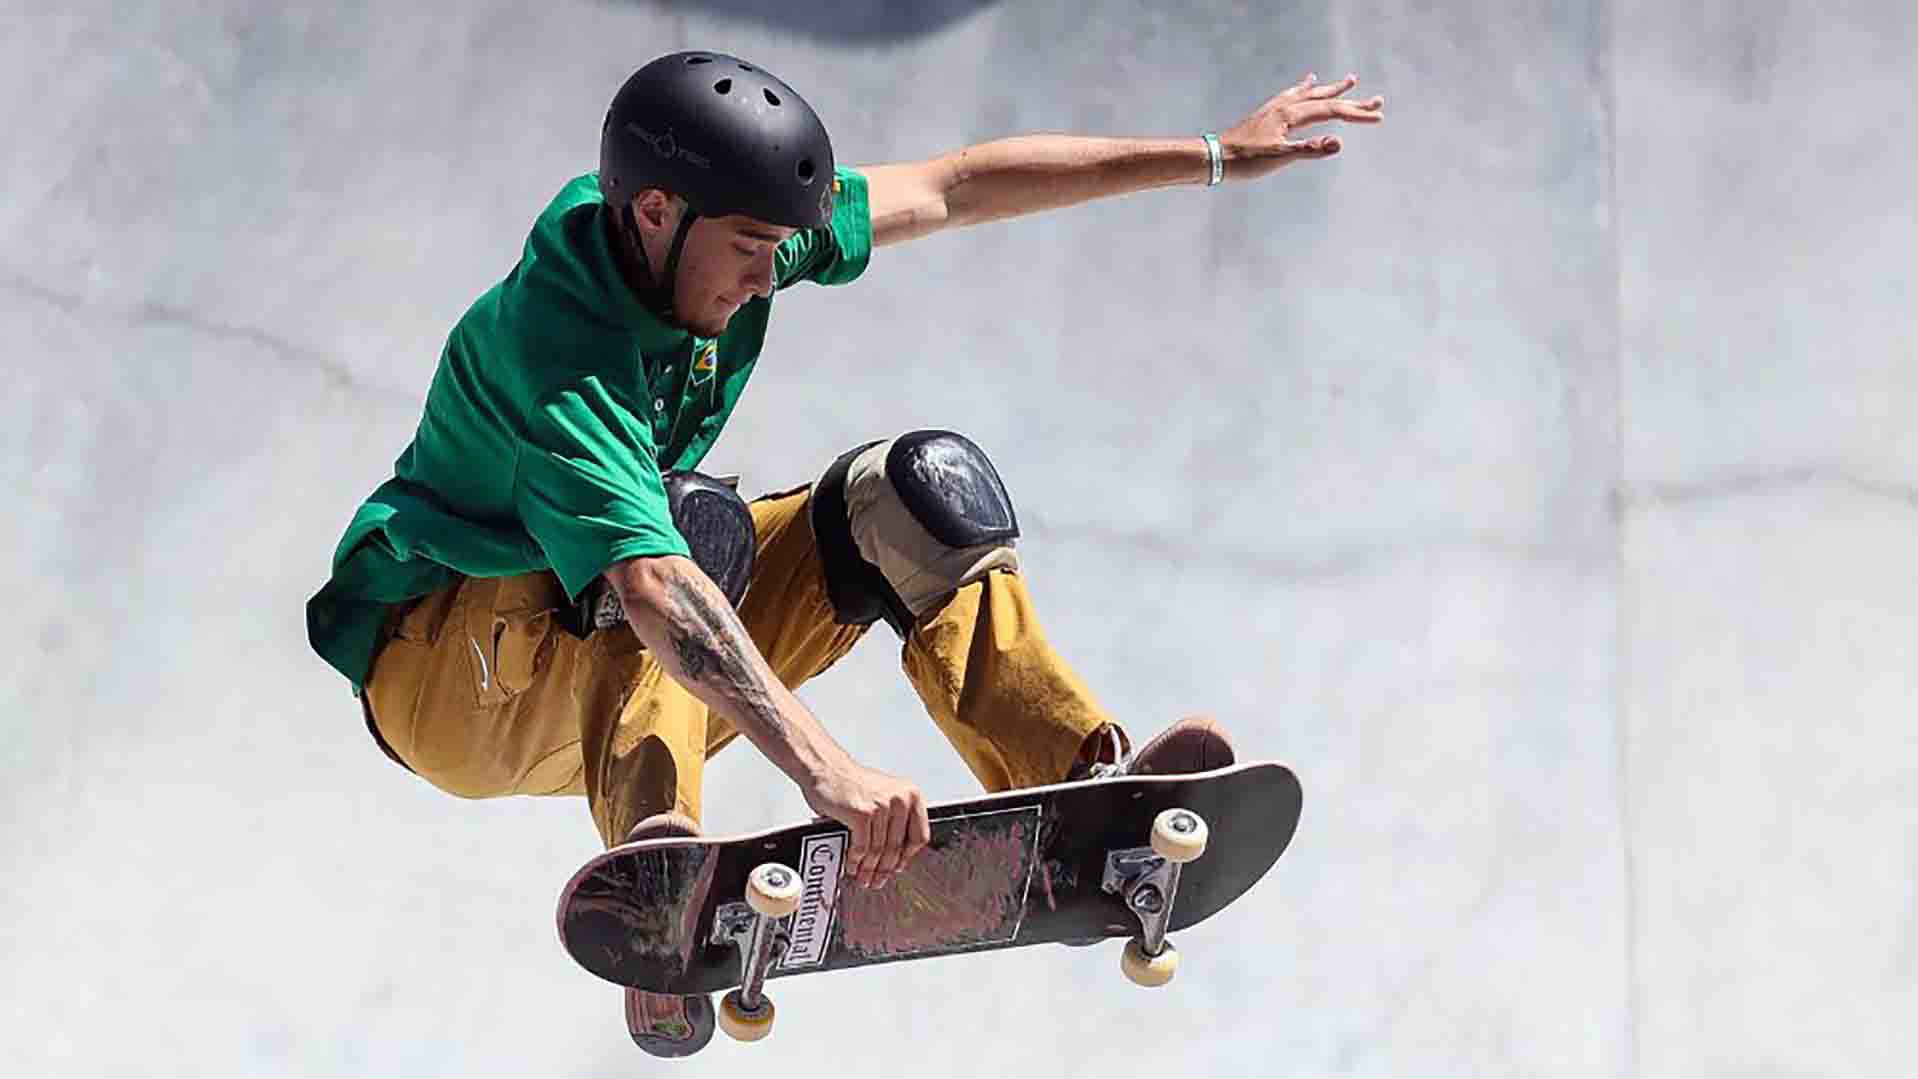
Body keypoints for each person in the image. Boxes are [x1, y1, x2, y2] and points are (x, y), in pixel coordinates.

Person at [306, 50, 1383, 1056]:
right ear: (653, 211)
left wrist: (1211, 153)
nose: (765, 282)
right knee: (683, 536)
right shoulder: (555, 345)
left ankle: (1087, 792)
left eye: (780, 253)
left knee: (917, 493)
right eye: (748, 254)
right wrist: (828, 771)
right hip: (447, 675)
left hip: (593, 651)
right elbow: (652, 585)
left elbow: (956, 186)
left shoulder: (718, 224)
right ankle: (660, 862)